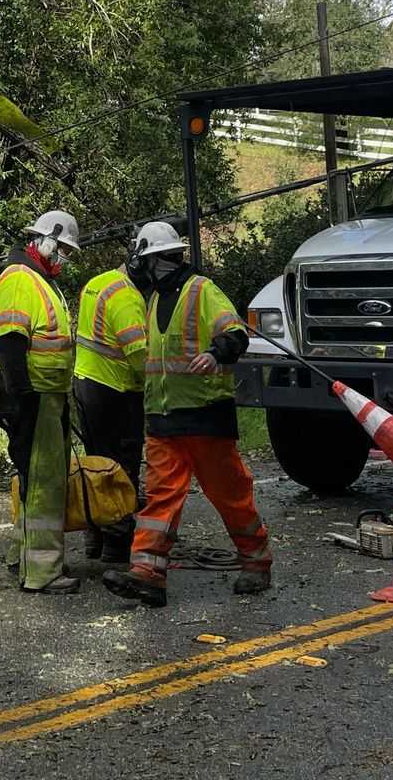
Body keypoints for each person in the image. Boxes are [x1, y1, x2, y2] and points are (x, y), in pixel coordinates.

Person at [103, 221, 271, 608]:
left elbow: (235, 333)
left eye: (144, 261)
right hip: (163, 420)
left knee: (230, 496)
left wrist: (216, 354)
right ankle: (147, 574)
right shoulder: (153, 299)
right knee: (160, 499)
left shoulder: (201, 290)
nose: (140, 268)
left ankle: (256, 560)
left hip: (204, 417)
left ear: (157, 260)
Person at [0, 208, 81, 594]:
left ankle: (22, 557)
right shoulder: (22, 279)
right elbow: (11, 342)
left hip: (45, 395)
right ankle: (42, 572)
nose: (64, 257)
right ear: (45, 239)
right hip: (32, 394)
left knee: (34, 479)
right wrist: (22, 396)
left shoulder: (39, 278)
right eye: (61, 248)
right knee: (44, 484)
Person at [73, 251, 148, 567]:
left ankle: (95, 535)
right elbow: (139, 356)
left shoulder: (97, 282)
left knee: (95, 464)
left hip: (84, 382)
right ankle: (117, 544)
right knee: (121, 467)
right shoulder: (127, 297)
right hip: (115, 391)